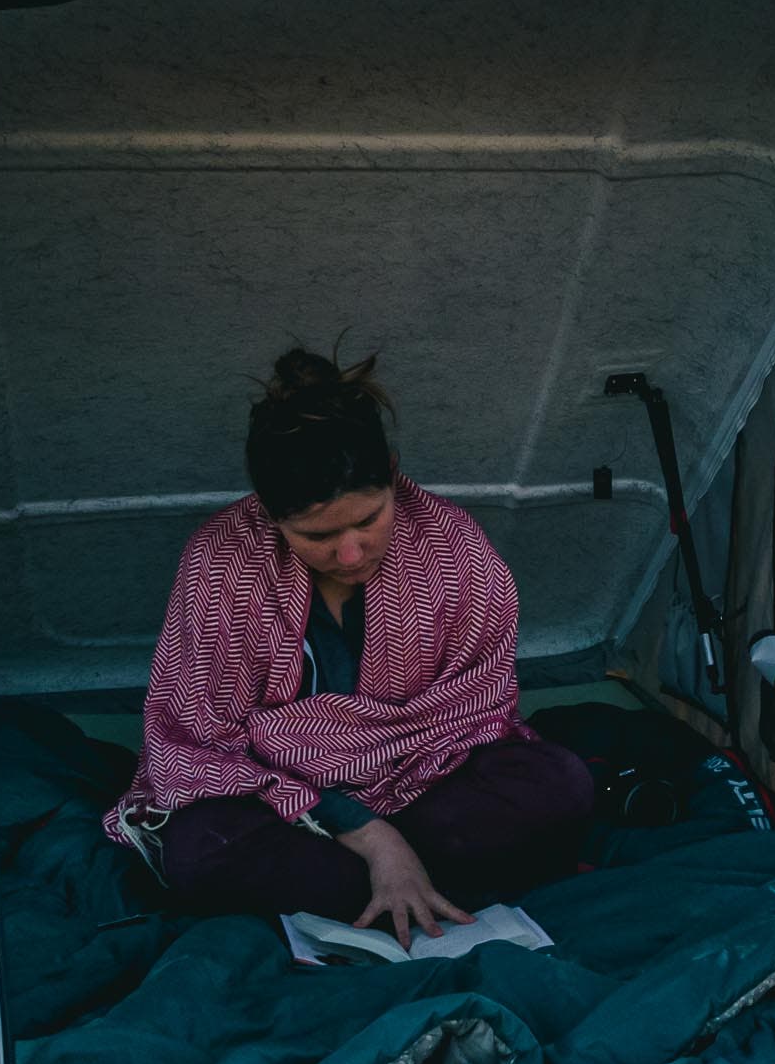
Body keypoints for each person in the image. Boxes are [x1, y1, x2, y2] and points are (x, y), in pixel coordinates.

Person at [105, 348, 593, 946]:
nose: (352, 554)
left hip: (427, 782)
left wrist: (386, 807)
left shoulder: (453, 547)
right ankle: (415, 882)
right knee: (201, 852)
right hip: (285, 805)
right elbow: (197, 737)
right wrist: (368, 832)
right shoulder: (221, 563)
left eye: (369, 519)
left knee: (559, 785)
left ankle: (384, 887)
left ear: (392, 474)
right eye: (318, 535)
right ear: (267, 511)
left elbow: (479, 707)